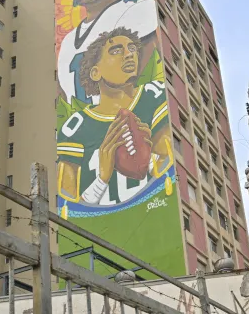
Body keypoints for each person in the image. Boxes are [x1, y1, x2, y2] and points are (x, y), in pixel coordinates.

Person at [57, 27, 171, 206]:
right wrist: (102, 179)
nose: (128, 54)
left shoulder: (154, 96)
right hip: (96, 229)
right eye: (116, 50)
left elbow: (171, 170)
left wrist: (147, 158)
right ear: (95, 72)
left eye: (132, 48)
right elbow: (67, 205)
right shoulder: (75, 128)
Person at [57, 0, 158, 106]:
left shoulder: (135, 8)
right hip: (85, 127)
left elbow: (147, 74)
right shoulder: (68, 40)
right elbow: (62, 99)